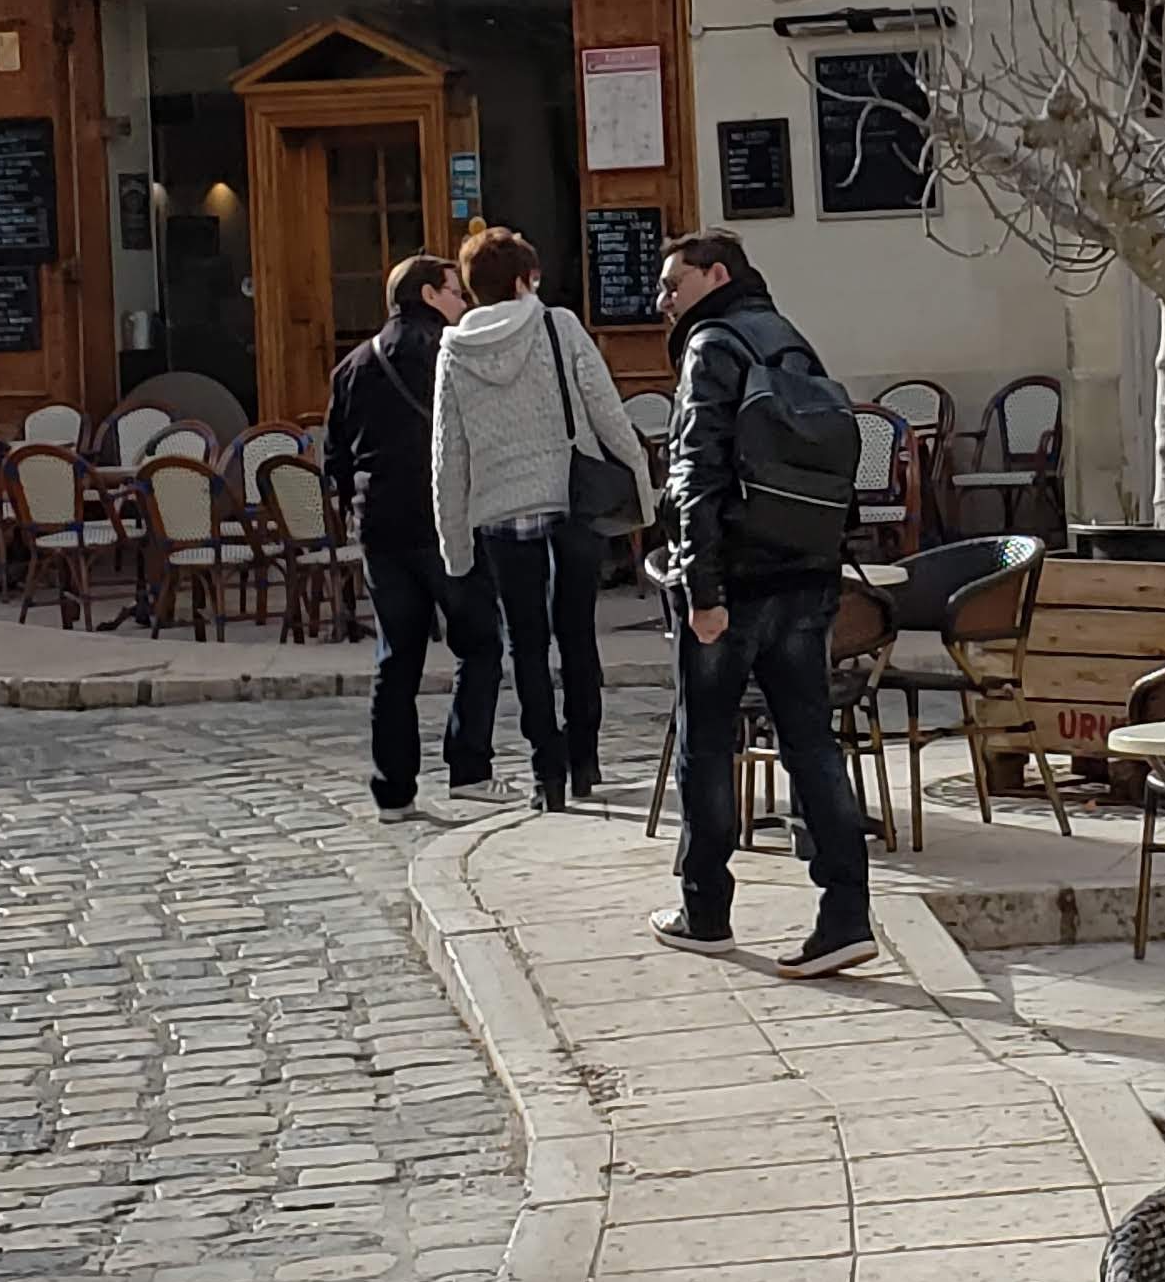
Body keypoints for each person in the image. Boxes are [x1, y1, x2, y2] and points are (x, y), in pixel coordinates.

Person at [650, 228, 874, 975]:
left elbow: (695, 471)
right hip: (807, 574)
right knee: (811, 743)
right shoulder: (788, 339)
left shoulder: (711, 345)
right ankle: (846, 914)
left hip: (736, 580)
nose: (662, 300)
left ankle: (705, 910)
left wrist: (701, 588)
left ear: (716, 275)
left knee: (707, 745)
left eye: (673, 284)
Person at [430, 223, 655, 811]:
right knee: (577, 633)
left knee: (525, 645)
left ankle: (545, 773)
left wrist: (454, 544)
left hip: (500, 513)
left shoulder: (454, 351)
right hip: (569, 501)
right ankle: (584, 759)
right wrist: (642, 488)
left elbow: (449, 453)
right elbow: (607, 411)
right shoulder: (558, 325)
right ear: (523, 280)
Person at [324, 252, 511, 815]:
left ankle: (393, 790)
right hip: (445, 520)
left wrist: (355, 510)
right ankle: (469, 767)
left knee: (396, 657)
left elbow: (335, 457)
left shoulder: (352, 365)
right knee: (479, 643)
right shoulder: (451, 354)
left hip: (380, 525)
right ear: (429, 295)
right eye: (455, 292)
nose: (463, 303)